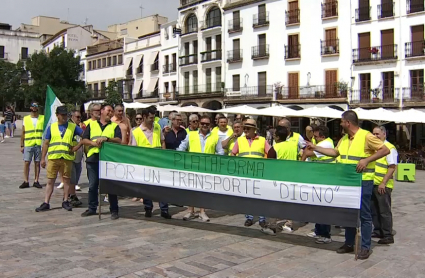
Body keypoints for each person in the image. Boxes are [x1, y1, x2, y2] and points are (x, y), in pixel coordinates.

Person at [306, 110, 390, 260]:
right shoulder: (344, 138)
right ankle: (349, 243)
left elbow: (385, 149)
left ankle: (365, 246)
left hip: (363, 181)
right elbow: (335, 152)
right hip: (347, 182)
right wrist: (316, 148)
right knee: (348, 213)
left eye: (341, 121)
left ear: (348, 123)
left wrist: (366, 160)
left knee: (364, 214)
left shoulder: (366, 136)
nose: (340, 124)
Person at [35, 106, 84, 212]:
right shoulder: (51, 127)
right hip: (53, 157)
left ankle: (65, 200)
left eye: (66, 115)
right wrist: (42, 158)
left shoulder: (72, 126)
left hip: (67, 157)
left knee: (66, 180)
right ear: (57, 115)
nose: (64, 117)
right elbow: (46, 143)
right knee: (50, 180)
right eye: (62, 115)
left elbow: (84, 135)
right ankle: (46, 202)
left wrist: (77, 146)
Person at [177, 115, 224, 221]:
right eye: (202, 123)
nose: (204, 125)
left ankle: (202, 212)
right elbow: (182, 148)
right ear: (199, 124)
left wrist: (214, 160)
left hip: (207, 168)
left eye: (207, 124)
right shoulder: (190, 135)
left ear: (210, 125)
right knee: (191, 190)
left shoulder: (215, 137)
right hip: (192, 167)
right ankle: (190, 211)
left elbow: (220, 152)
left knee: (204, 190)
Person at [80, 104, 122, 220]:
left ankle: (114, 209)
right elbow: (84, 139)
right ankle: (92, 207)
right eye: (108, 110)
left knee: (110, 186)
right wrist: (93, 143)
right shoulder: (91, 125)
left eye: (111, 111)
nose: (110, 113)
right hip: (93, 158)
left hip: (108, 159)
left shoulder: (114, 126)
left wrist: (107, 139)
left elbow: (119, 140)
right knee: (93, 185)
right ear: (102, 111)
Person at [130, 106, 171, 219]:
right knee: (146, 187)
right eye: (150, 118)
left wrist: (164, 154)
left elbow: (162, 141)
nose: (153, 120)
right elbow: (134, 149)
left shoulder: (157, 127)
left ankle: (164, 209)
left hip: (158, 161)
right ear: (144, 117)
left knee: (162, 186)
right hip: (145, 162)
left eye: (153, 118)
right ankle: (148, 208)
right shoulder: (136, 132)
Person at [231, 119, 270, 228]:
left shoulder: (262, 140)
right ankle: (249, 217)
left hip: (260, 174)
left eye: (248, 128)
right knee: (248, 197)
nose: (246, 130)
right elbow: (233, 154)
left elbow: (271, 154)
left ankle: (262, 218)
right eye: (245, 128)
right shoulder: (240, 140)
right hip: (245, 174)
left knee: (261, 197)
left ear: (254, 129)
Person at [260, 126, 297, 235]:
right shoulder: (293, 146)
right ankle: (288, 224)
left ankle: (271, 227)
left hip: (278, 180)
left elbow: (269, 166)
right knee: (289, 203)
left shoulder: (274, 149)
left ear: (277, 136)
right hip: (291, 178)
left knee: (273, 205)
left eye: (274, 134)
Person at [302, 125, 335, 243]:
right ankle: (318, 230)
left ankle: (326, 234)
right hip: (318, 179)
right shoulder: (319, 144)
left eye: (316, 136)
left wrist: (306, 152)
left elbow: (308, 153)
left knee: (323, 208)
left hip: (325, 180)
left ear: (323, 136)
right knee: (317, 206)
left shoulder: (325, 145)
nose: (314, 138)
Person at [371, 126, 397, 245]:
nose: (375, 136)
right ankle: (378, 230)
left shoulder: (389, 148)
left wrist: (383, 183)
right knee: (374, 210)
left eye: (378, 134)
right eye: (374, 134)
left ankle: (387, 235)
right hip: (373, 182)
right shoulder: (375, 147)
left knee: (384, 211)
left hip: (383, 185)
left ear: (384, 135)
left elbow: (392, 167)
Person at [20, 102, 44, 189]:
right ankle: (26, 181)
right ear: (30, 108)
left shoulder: (42, 118)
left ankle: (36, 180)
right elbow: (23, 132)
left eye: (36, 107)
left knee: (37, 163)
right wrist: (22, 145)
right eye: (33, 107)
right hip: (28, 143)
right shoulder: (26, 119)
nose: (34, 108)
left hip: (38, 143)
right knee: (27, 162)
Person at [68, 110, 84, 207]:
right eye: (77, 117)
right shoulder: (70, 128)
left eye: (80, 117)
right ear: (72, 117)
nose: (79, 119)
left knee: (76, 177)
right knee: (72, 178)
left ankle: (70, 194)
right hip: (71, 157)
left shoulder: (78, 127)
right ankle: (72, 196)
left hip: (78, 156)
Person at [129, 113, 144, 202]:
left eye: (140, 119)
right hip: (135, 153)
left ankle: (142, 195)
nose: (138, 120)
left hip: (142, 153)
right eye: (137, 119)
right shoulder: (133, 130)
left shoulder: (145, 129)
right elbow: (130, 141)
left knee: (142, 175)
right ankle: (136, 194)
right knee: (135, 175)